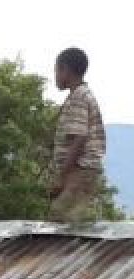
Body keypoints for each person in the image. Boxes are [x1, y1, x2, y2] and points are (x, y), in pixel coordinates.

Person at [50, 48, 106, 225]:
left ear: (65, 69)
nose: (56, 76)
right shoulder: (80, 94)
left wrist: (62, 175)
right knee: (68, 217)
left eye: (56, 71)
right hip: (80, 170)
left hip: (80, 169)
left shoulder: (79, 97)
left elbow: (79, 138)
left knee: (63, 216)